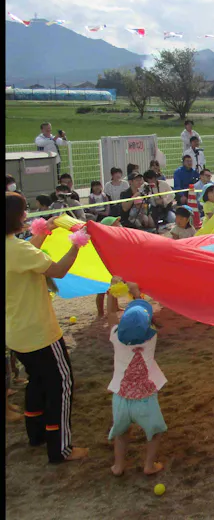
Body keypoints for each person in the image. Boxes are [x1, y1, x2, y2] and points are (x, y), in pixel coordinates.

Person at [5, 193, 89, 462]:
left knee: (37, 381)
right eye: (23, 212)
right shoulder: (18, 250)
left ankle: (36, 434)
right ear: (16, 218)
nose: (26, 215)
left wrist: (46, 230)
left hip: (16, 334)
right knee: (61, 384)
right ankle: (60, 448)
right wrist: (77, 244)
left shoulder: (14, 248)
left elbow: (28, 253)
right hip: (40, 333)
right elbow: (59, 270)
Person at [105, 278, 167, 476]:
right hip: (145, 399)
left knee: (121, 433)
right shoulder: (151, 338)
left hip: (121, 398)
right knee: (155, 432)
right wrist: (138, 296)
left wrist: (112, 294)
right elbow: (153, 321)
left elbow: (111, 315)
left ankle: (118, 466)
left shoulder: (115, 335)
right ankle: (149, 465)